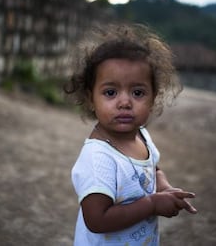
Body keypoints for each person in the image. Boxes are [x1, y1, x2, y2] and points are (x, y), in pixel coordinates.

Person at [64, 23, 197, 245]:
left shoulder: (142, 136)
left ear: (153, 98)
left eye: (137, 92)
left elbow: (153, 169)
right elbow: (97, 219)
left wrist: (164, 189)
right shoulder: (99, 158)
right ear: (90, 98)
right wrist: (153, 204)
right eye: (110, 92)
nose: (124, 102)